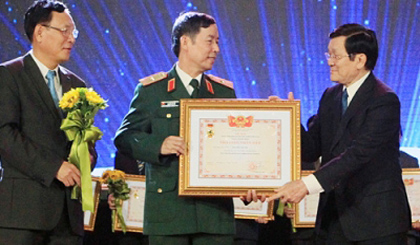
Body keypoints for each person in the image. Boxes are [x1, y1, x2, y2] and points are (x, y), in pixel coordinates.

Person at [113, 12, 260, 245]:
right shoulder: (153, 91)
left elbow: (235, 147)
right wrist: (158, 146)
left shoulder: (223, 93)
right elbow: (124, 138)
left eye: (218, 42)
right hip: (169, 213)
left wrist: (246, 183)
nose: (216, 49)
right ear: (185, 42)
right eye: (209, 40)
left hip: (214, 214)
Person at [267, 23, 411, 244]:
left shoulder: (384, 100)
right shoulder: (330, 96)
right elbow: (312, 149)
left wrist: (306, 186)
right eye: (329, 54)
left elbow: (358, 154)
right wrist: (288, 119)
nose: (329, 62)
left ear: (360, 60)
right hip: (335, 220)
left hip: (377, 222)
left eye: (336, 56)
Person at [0, 1, 95, 244]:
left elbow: (86, 141)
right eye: (64, 31)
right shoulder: (9, 75)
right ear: (40, 32)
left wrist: (85, 159)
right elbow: (5, 135)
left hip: (68, 218)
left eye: (73, 32)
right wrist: (54, 168)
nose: (71, 39)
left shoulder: (78, 85)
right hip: (24, 215)